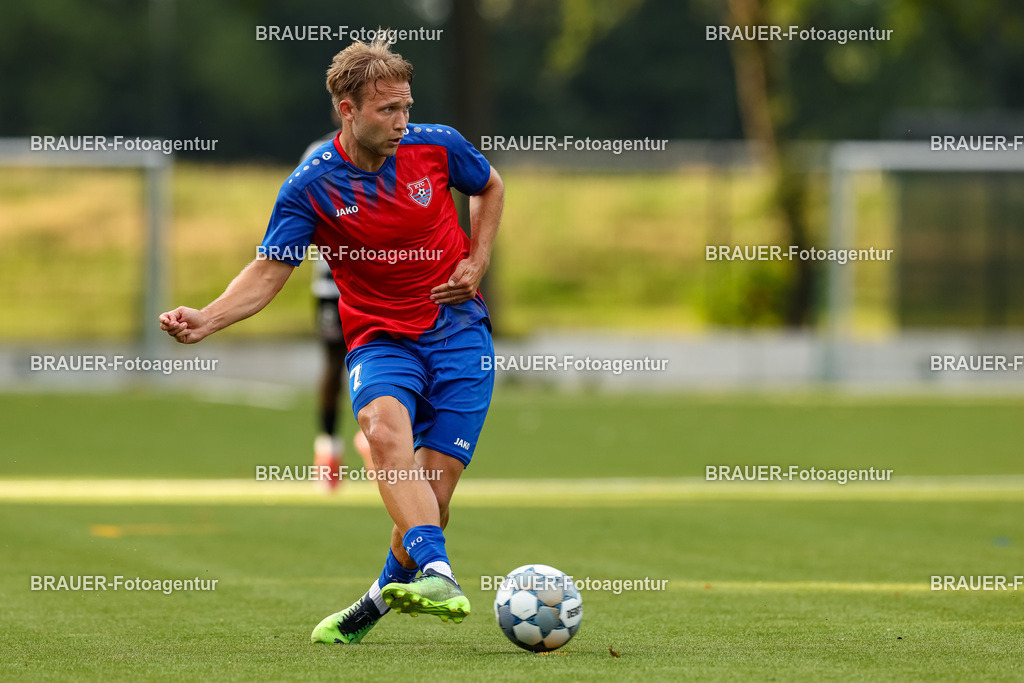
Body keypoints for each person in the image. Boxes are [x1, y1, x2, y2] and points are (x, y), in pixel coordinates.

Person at [158, 35, 504, 644]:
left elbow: (490, 186)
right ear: (347, 108)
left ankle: (370, 606)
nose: (402, 122)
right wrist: (207, 318)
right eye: (386, 110)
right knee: (381, 429)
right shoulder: (310, 185)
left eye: (406, 107)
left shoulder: (438, 146)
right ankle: (443, 576)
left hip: (460, 337)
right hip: (378, 339)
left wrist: (476, 262)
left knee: (430, 500)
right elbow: (270, 268)